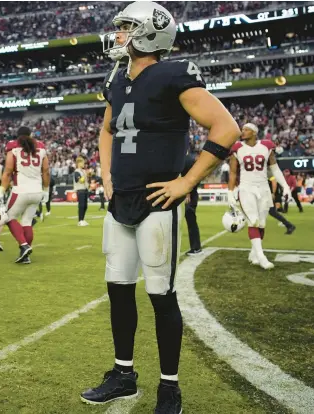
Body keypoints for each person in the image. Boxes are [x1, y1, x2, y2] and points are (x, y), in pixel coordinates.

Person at [80, 2, 240, 413]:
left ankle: (169, 386)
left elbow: (227, 128)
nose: (118, 35)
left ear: (152, 32)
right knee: (118, 290)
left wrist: (187, 181)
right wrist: (108, 176)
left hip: (157, 201)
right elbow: (105, 130)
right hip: (122, 201)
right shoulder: (117, 79)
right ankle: (123, 375)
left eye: (127, 27)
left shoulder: (173, 74)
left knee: (160, 295)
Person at [228, 123, 292, 270]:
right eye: (242, 129)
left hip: (263, 187)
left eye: (246, 129)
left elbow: (275, 169)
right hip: (246, 188)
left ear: (254, 132)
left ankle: (253, 253)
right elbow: (232, 172)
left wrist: (286, 186)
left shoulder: (266, 146)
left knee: (262, 223)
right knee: (254, 221)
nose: (242, 132)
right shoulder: (238, 148)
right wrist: (230, 191)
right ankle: (261, 257)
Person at [0, 126, 50, 264]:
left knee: (7, 217)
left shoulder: (13, 148)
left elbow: (7, 171)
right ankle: (25, 255)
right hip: (37, 191)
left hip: (20, 190)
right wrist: (46, 190)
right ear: (30, 135)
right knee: (27, 221)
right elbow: (46, 171)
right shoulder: (41, 147)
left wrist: (1, 192)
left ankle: (24, 246)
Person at [182, 152, 202, 255]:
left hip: (188, 195)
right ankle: (196, 247)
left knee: (190, 220)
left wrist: (187, 192)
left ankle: (196, 247)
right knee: (191, 221)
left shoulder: (187, 160)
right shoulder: (189, 160)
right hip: (189, 193)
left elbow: (188, 178)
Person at [74, 157, 89, 226]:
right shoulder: (77, 171)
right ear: (79, 163)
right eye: (82, 162)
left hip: (85, 189)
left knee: (85, 206)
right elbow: (80, 180)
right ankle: (80, 220)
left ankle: (82, 219)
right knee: (81, 205)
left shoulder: (83, 171)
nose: (84, 164)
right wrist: (85, 175)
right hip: (80, 190)